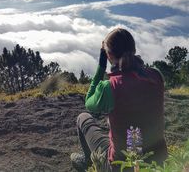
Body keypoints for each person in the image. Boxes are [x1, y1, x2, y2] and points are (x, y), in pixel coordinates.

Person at [71, 28, 167, 172]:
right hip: (159, 162)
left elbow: (89, 103)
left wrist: (101, 66)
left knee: (82, 118)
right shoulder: (156, 76)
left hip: (122, 166)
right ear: (134, 49)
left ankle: (90, 163)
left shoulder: (110, 87)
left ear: (108, 55)